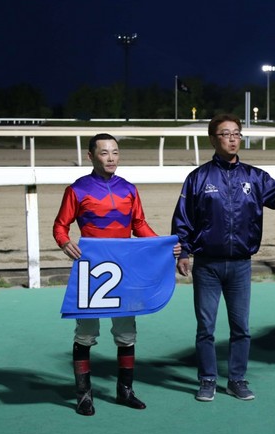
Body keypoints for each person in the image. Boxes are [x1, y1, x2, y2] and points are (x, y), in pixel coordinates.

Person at [171, 113, 275, 402]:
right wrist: (185, 251)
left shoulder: (255, 177)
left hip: (241, 265)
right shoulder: (197, 178)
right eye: (225, 134)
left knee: (241, 328)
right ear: (213, 139)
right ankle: (207, 380)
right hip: (206, 266)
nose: (232, 139)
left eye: (236, 134)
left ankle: (237, 380)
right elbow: (183, 218)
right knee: (206, 328)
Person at [53, 133, 181, 416]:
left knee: (126, 333)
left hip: (125, 268)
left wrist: (162, 245)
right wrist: (64, 242)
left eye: (115, 152)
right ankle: (84, 395)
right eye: (104, 153)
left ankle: (125, 391)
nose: (111, 158)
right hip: (91, 270)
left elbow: (139, 224)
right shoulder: (77, 190)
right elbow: (60, 225)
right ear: (90, 156)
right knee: (86, 334)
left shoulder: (129, 189)